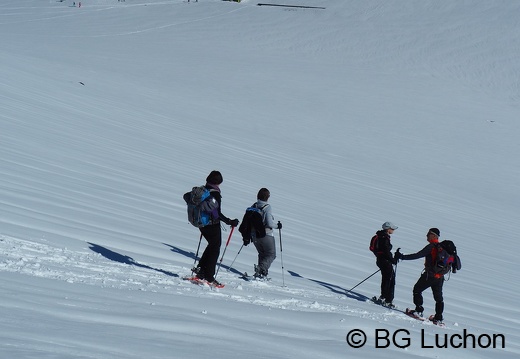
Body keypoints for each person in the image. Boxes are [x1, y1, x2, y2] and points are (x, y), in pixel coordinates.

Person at [193, 171, 239, 286]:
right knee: (215, 248)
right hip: (211, 225)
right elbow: (217, 213)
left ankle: (201, 270)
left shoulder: (203, 190)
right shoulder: (215, 193)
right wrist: (230, 221)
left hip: (201, 223)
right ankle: (209, 275)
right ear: (218, 182)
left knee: (212, 246)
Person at [394, 227, 446, 324]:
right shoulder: (442, 248)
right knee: (439, 298)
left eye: (428, 233)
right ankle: (438, 317)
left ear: (434, 235)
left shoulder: (431, 247)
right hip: (440, 277)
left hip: (429, 275)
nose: (426, 235)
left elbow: (417, 255)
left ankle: (419, 310)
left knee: (417, 290)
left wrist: (402, 257)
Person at [252, 188, 282, 279]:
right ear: (267, 197)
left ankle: (261, 273)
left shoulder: (254, 205)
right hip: (266, 234)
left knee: (262, 254)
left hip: (254, 234)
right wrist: (278, 226)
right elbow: (269, 223)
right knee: (271, 254)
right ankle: (261, 269)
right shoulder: (267, 207)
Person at [372, 221, 398, 308]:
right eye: (392, 228)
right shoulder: (384, 237)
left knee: (386, 278)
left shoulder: (380, 236)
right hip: (385, 261)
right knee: (390, 279)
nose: (393, 230)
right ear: (388, 229)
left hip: (380, 260)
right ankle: (387, 300)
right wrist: (392, 260)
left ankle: (383, 297)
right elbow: (386, 251)